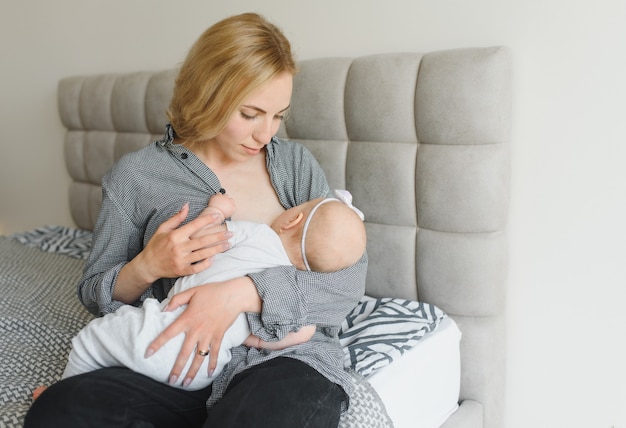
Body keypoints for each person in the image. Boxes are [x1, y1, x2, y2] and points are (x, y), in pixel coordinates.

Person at [25, 12, 367, 428]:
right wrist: (147, 267)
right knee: (61, 410)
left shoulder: (295, 165)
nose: (265, 134)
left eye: (278, 115)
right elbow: (95, 293)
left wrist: (242, 294)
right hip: (176, 361)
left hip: (285, 361)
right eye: (250, 113)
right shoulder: (137, 177)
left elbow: (348, 278)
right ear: (209, 94)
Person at [33, 190, 365, 395]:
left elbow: (205, 236)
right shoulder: (289, 284)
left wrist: (216, 212)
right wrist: (248, 336)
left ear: (292, 219)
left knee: (93, 339)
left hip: (164, 332)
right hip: (202, 370)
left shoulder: (258, 235)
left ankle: (59, 389)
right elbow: (289, 334)